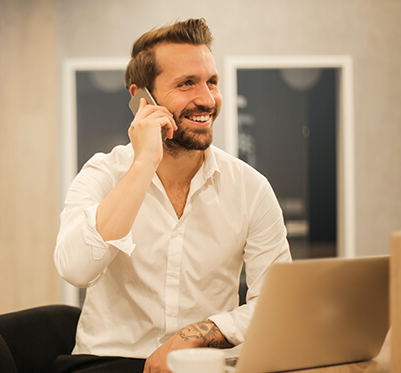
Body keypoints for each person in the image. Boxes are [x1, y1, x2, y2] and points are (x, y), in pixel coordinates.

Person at [54, 18, 291, 373]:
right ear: (141, 98)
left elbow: (276, 305)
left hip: (204, 362)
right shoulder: (103, 174)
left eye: (212, 81)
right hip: (108, 362)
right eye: (187, 84)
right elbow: (75, 269)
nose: (207, 99)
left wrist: (196, 335)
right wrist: (144, 163)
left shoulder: (250, 188)